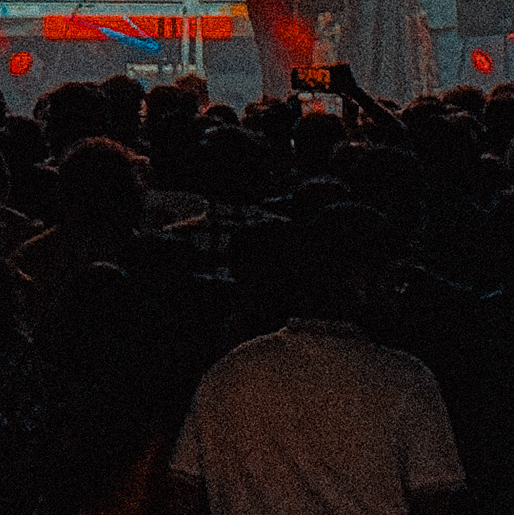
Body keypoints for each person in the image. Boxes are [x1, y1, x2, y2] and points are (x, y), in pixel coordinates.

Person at [168, 203, 467, 515]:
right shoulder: (407, 381)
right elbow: (438, 499)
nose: (400, 292)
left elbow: (183, 492)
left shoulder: (228, 375)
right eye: (394, 277)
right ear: (362, 278)